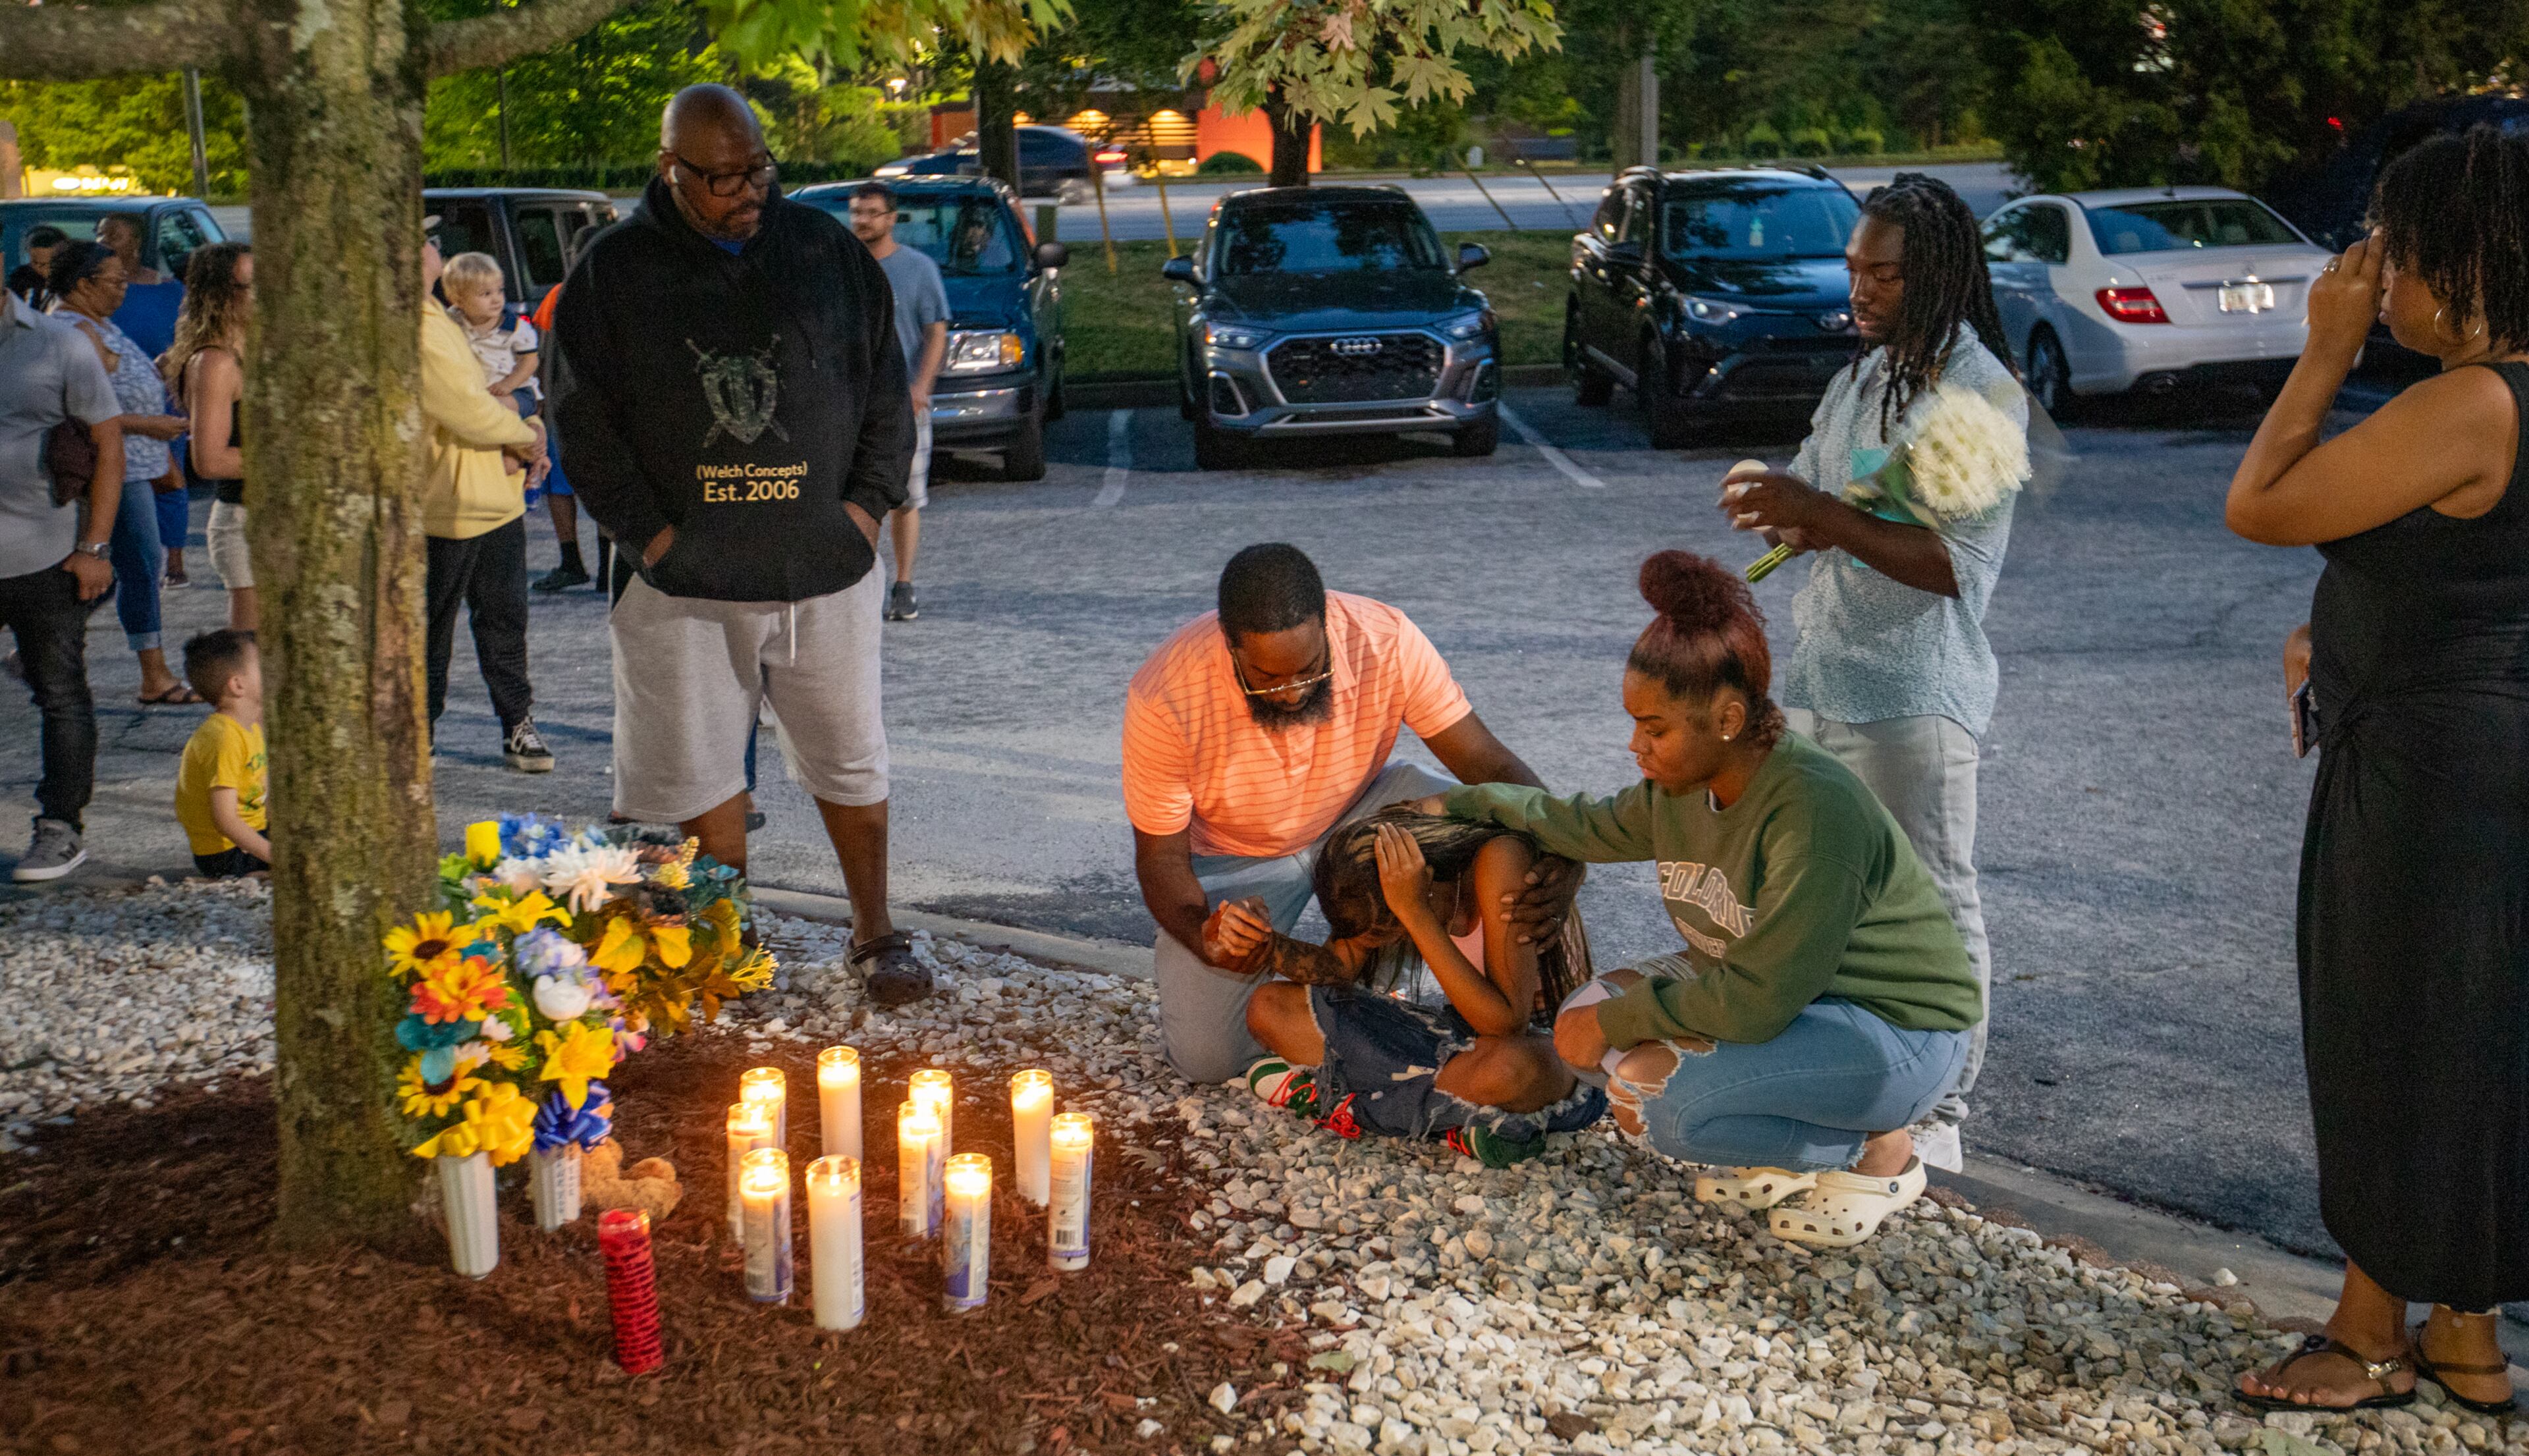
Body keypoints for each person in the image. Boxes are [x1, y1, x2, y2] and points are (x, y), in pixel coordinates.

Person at [2225, 127, 2529, 1418]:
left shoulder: (2468, 399)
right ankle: (2465, 1333)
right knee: (2475, 1034)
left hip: (2428, 774)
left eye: (2393, 257)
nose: (2374, 277)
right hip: (2476, 759)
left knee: (2388, 1031)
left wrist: (2327, 351)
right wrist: (2348, 622)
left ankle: (2367, 1333)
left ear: (2463, 261)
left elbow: (2264, 500)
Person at [1441, 552, 1978, 1247]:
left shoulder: (1812, 810)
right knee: (1582, 1022)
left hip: (1898, 1032)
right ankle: (1782, 1148)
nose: (1636, 745)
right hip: (1809, 1004)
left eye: (1655, 728)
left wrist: (1624, 1019)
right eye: (1635, 722)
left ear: (1727, 718)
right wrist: (1463, 800)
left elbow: (1760, 997)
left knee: (1652, 1098)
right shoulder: (1680, 790)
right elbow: (1579, 822)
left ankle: (1881, 1155)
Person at [550, 84, 924, 1000]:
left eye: (756, 168)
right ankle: (731, 939)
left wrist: (866, 510)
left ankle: (875, 929)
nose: (745, 190)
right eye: (719, 178)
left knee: (850, 753)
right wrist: (655, 537)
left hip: (825, 567)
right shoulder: (613, 270)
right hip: (681, 581)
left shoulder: (827, 252)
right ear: (669, 169)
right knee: (695, 766)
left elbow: (886, 389)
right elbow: (582, 426)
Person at [1713, 173, 2025, 1175]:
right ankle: (1863, 1087)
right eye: (1855, 269)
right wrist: (1775, 509)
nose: (1861, 289)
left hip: (1914, 699)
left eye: (1884, 274)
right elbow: (1823, 500)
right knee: (1831, 900)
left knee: (1935, 898)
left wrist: (1820, 512)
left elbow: (1950, 565)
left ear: (1934, 277)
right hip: (1827, 682)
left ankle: (1945, 1109)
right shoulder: (1864, 377)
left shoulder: (1979, 395)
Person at [1122, 541, 1578, 1085]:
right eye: (1267, 677)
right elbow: (1160, 860)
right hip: (1235, 855)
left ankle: (1526, 995)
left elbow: (1484, 759)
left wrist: (1565, 850)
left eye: (1309, 670)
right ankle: (1385, 1020)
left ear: (1327, 623)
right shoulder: (1166, 693)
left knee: (1506, 832)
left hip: (1361, 810)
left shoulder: (1385, 638)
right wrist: (1205, 936)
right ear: (1231, 646)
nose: (1291, 693)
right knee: (1208, 1060)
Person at [1229, 810, 1606, 1166]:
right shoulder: (1387, 874)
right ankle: (1458, 1120)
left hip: (1550, 1047)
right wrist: (1265, 943)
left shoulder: (1499, 860)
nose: (1400, 938)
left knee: (1509, 1070)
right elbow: (1338, 968)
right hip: (1456, 1048)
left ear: (1424, 876)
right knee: (1270, 1005)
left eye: (1394, 927)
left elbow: (1507, 1023)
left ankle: (1348, 1102)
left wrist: (1414, 912)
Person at [1, 269, 125, 882]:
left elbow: (109, 446)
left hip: (44, 552)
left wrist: (94, 546)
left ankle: (60, 827)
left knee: (60, 693)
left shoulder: (59, 343)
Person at [419, 238, 552, 772]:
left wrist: (532, 425)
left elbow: (511, 387)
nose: (434, 245)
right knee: (431, 629)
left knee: (506, 621)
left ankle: (517, 723)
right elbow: (468, 408)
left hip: (499, 501)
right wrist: (524, 434)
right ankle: (419, 729)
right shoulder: (418, 325)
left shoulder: (440, 319)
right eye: (424, 241)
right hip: (445, 506)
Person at [45, 240, 196, 704]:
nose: (124, 290)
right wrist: (150, 425)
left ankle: (44, 645)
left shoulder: (98, 324)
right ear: (84, 284)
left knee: (133, 567)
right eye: (115, 281)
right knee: (140, 564)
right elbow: (86, 410)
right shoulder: (70, 329)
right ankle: (153, 672)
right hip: (114, 467)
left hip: (135, 463)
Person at [846, 181, 948, 622]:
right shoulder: (841, 268)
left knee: (906, 497)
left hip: (902, 405)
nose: (861, 220)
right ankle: (857, 583)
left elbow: (936, 331)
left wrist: (921, 386)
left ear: (891, 218)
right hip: (851, 406)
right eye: (856, 212)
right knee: (853, 496)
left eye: (871, 212)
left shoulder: (918, 269)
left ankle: (903, 584)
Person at [165, 243, 254, 633]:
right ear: (220, 294)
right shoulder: (215, 362)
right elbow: (210, 460)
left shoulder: (255, 350)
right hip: (244, 520)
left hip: (277, 516)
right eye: (253, 285)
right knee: (254, 659)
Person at [172, 628, 269, 878]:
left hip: (252, 834)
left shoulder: (250, 726)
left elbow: (261, 790)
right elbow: (225, 819)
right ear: (237, 684)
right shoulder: (224, 737)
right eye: (263, 664)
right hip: (225, 853)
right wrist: (275, 855)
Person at [527, 277, 594, 593]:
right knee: (603, 478)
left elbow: (539, 355)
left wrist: (538, 401)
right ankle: (611, 567)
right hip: (604, 405)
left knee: (559, 485)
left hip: (561, 402)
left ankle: (572, 561)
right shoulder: (619, 286)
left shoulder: (556, 295)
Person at [440, 251, 541, 418]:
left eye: (499, 291)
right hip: (477, 394)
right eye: (486, 294)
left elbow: (530, 361)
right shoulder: (452, 322)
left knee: (493, 409)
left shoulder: (515, 327)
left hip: (517, 392)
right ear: (458, 300)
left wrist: (508, 384)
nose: (496, 299)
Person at [94, 213, 182, 362]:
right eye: (100, 234)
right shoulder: (86, 289)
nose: (103, 241)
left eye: (114, 236)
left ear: (137, 242)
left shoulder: (171, 292)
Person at [8, 225, 66, 308]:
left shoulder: (75, 286)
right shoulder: (20, 280)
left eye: (45, 264)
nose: (38, 269)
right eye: (34, 262)